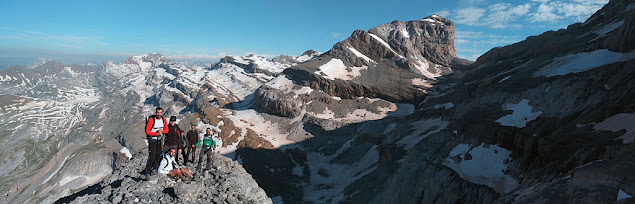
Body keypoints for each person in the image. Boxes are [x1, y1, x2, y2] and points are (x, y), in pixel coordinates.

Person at [144, 107, 169, 175]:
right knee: (152, 156)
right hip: (152, 140)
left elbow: (166, 130)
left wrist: (161, 131)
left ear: (162, 113)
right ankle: (148, 171)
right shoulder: (152, 120)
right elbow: (147, 131)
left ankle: (154, 169)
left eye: (160, 112)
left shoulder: (164, 120)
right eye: (157, 112)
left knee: (158, 155)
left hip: (159, 140)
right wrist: (156, 133)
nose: (159, 114)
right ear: (155, 113)